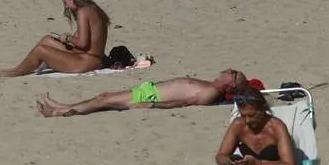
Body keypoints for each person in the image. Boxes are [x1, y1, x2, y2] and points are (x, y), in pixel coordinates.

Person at [0, 0, 109, 77]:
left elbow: (82, 43)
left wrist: (68, 37)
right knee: (47, 39)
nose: (66, 7)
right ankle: (22, 68)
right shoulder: (94, 9)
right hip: (94, 59)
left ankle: (17, 72)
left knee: (40, 50)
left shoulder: (83, 12)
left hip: (87, 61)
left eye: (65, 2)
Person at [36, 69, 249, 117]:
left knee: (104, 100)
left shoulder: (210, 93)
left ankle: (59, 111)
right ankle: (61, 107)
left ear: (230, 85)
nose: (230, 71)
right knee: (104, 98)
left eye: (233, 75)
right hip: (150, 91)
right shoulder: (212, 85)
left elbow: (183, 102)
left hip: (150, 97)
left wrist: (152, 105)